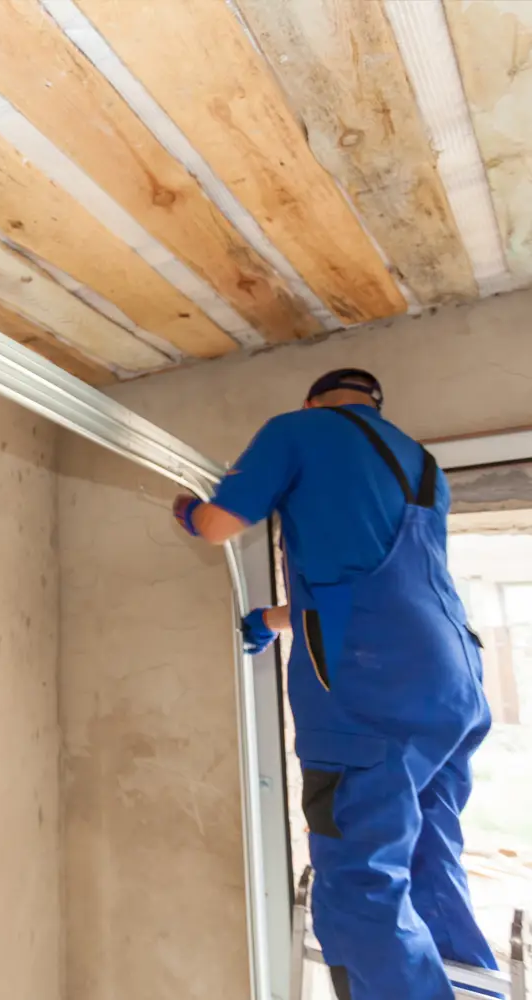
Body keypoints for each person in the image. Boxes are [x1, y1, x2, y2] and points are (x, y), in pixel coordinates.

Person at [172, 369, 496, 1000]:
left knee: (360, 888)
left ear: (310, 402)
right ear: (376, 405)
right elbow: (381, 589)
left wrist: (186, 510)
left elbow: (217, 525)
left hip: (372, 702)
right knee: (430, 858)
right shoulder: (421, 462)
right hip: (453, 679)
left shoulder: (298, 431)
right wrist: (270, 620)